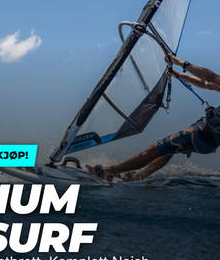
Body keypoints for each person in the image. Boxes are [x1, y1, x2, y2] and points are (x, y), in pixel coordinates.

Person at [86, 55, 220, 181]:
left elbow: (210, 77)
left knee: (155, 150)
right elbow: (208, 84)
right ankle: (138, 176)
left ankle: (108, 172)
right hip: (210, 142)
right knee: (170, 148)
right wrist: (180, 75)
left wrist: (179, 63)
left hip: (201, 134)